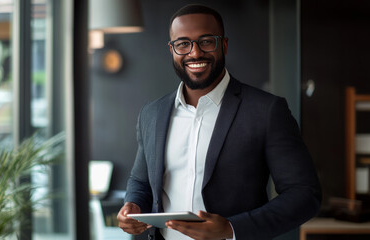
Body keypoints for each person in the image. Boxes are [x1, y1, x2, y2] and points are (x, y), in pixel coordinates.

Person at [117, 4, 321, 240]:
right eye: (183, 44)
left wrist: (231, 228)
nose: (194, 53)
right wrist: (132, 206)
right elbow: (141, 181)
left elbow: (305, 194)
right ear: (172, 50)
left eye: (206, 41)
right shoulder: (151, 114)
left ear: (223, 45)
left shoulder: (266, 110)